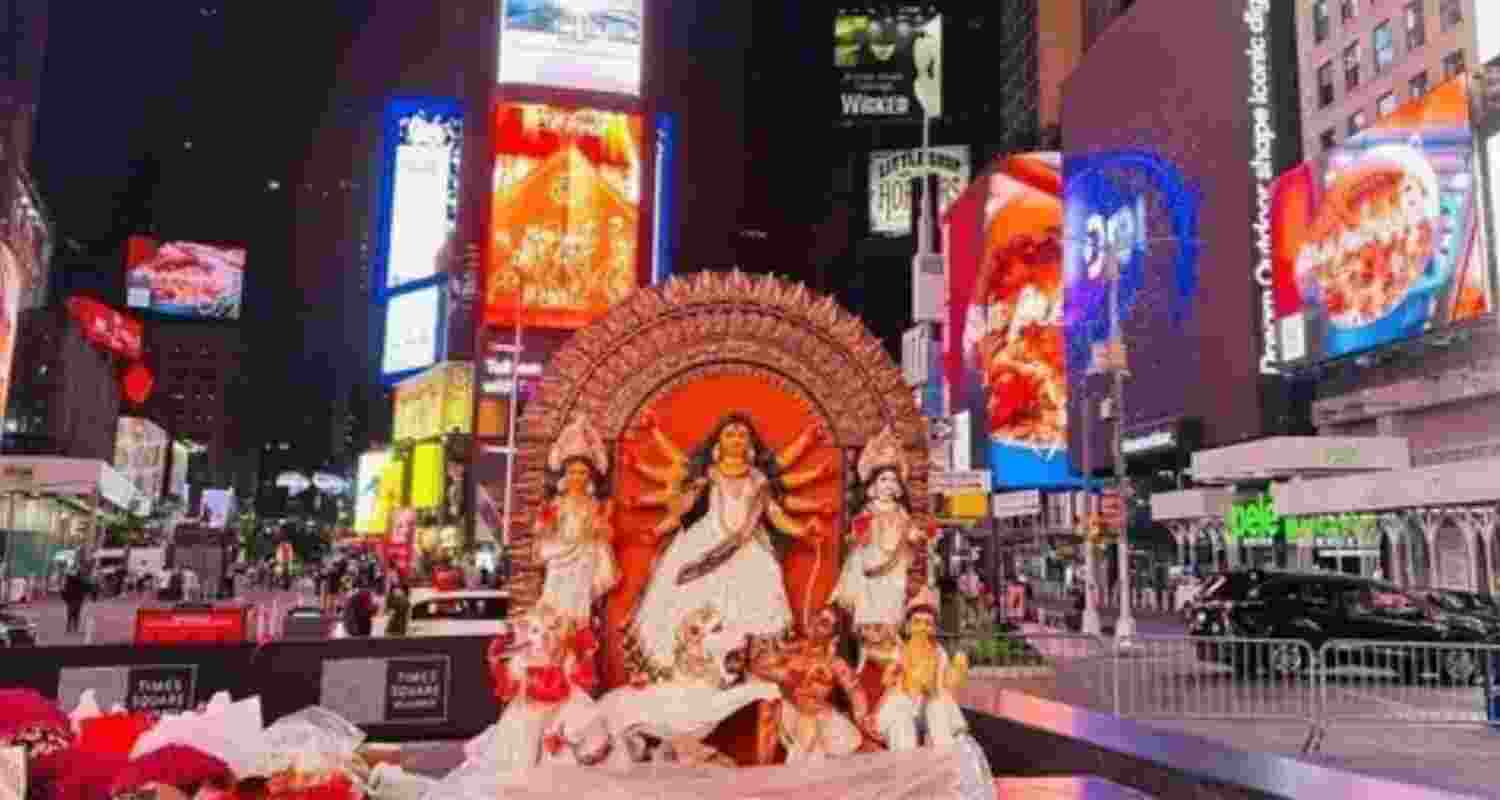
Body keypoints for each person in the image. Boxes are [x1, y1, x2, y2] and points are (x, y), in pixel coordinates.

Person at [627, 413, 831, 672]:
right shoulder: (706, 475)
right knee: (690, 602)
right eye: (730, 434)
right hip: (702, 544)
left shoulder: (758, 480)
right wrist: (688, 494)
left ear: (751, 444)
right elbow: (679, 512)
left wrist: (803, 530)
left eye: (742, 435)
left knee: (762, 583)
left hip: (748, 546)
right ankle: (688, 667)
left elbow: (775, 516)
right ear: (717, 443)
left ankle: (747, 669)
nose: (736, 439)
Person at [832, 426, 935, 647]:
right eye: (883, 480)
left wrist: (920, 535)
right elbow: (856, 539)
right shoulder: (867, 511)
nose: (888, 485)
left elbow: (911, 534)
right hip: (871, 569)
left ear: (898, 487)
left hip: (894, 571)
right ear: (873, 485)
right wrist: (858, 535)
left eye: (892, 480)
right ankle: (868, 646)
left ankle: (889, 642)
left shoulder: (901, 513)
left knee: (891, 610)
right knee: (870, 613)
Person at [534, 413, 620, 632]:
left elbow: (608, 536)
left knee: (578, 612)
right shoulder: (556, 503)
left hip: (584, 560)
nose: (577, 477)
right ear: (564, 474)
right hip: (560, 558)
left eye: (583, 473)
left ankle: (577, 650)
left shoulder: (596, 505)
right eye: (572, 472)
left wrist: (601, 527)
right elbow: (544, 532)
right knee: (552, 609)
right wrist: (545, 526)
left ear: (590, 477)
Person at [61, 570, 87, 634]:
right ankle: (75, 628)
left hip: (71, 600)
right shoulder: (81, 581)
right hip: (77, 599)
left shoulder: (68, 581)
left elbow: (63, 591)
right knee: (76, 615)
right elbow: (84, 590)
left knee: (70, 614)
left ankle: (69, 628)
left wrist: (65, 599)